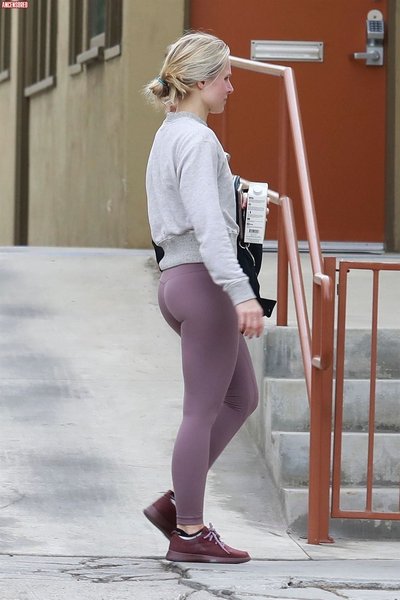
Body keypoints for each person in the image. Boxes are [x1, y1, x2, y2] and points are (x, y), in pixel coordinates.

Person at [143, 31, 264, 564]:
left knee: (241, 398)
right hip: (204, 284)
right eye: (225, 78)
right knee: (201, 410)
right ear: (199, 82)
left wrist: (232, 195)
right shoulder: (197, 140)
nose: (231, 87)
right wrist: (241, 293)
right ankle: (189, 532)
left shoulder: (170, 134)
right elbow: (209, 228)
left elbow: (193, 209)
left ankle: (176, 503)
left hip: (178, 279)